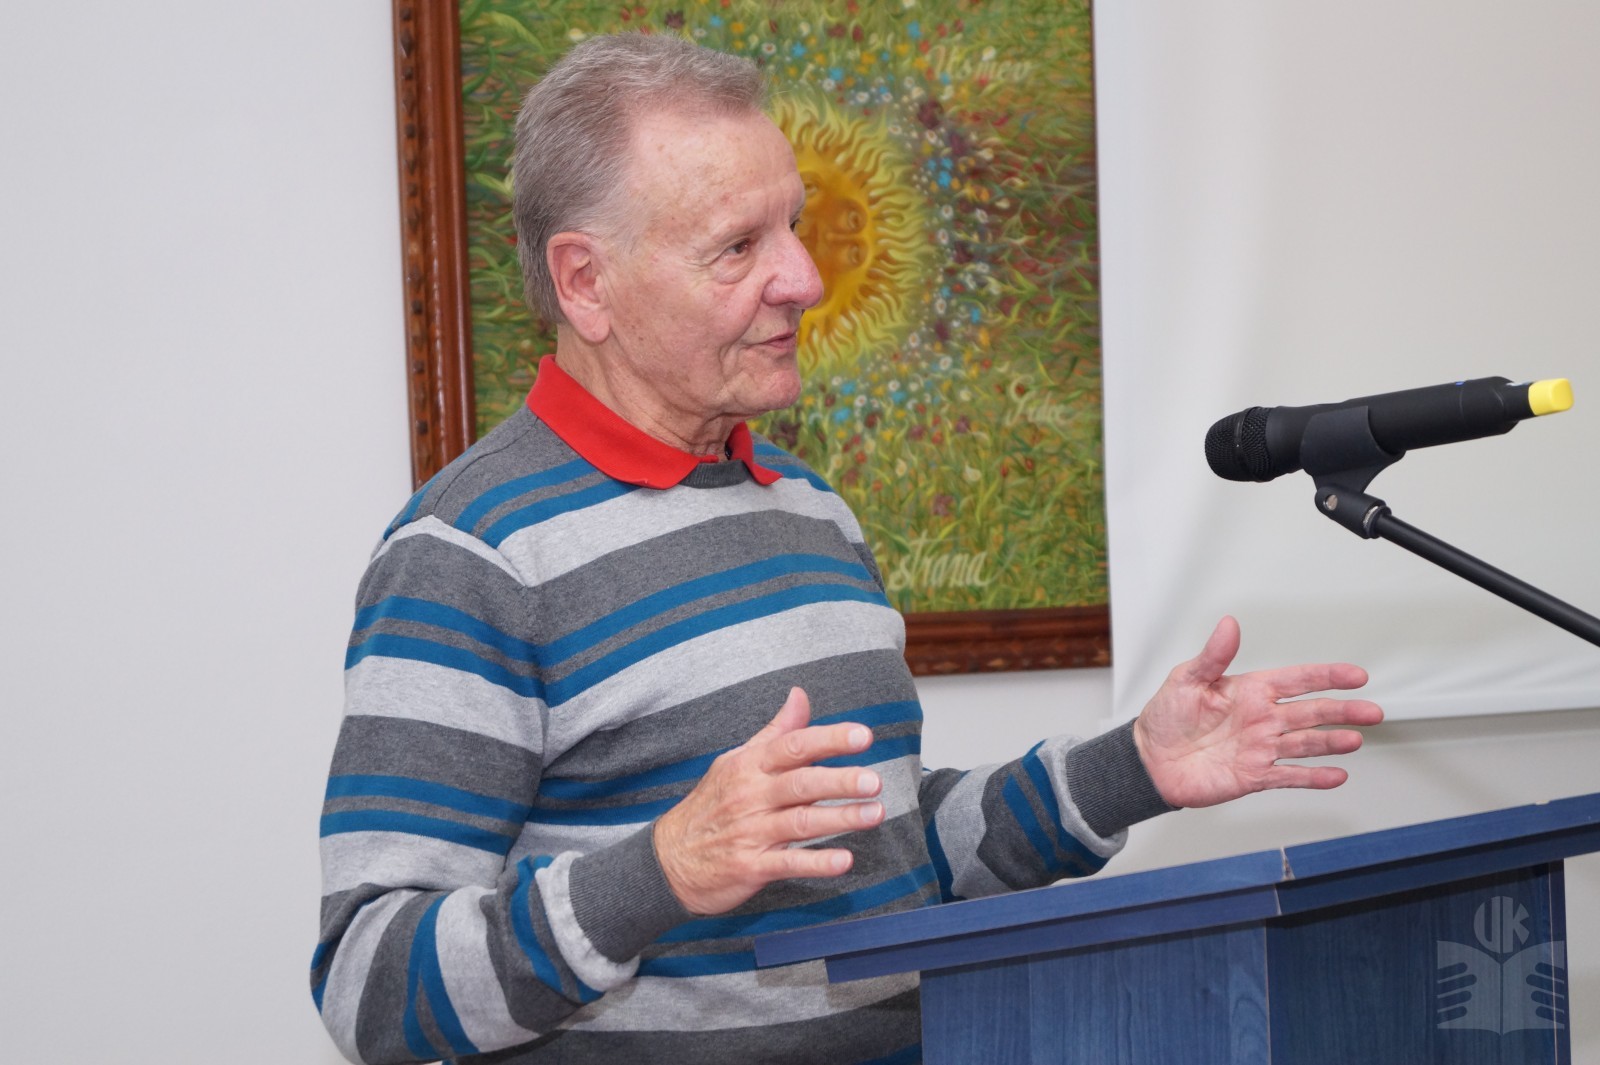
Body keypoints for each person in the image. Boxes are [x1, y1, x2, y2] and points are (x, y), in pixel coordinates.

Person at [313, 32, 1382, 1065]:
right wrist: (663, 870)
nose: (804, 279)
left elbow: (894, 853)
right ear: (586, 282)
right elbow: (370, 984)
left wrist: (1133, 767)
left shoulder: (809, 508)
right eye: (739, 246)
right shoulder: (473, 553)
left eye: (792, 225)